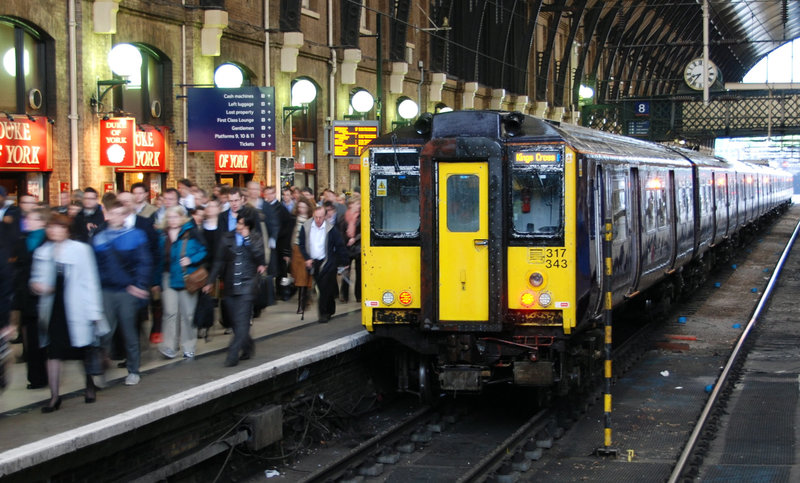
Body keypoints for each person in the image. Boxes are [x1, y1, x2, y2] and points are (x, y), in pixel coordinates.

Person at [30, 214, 107, 411]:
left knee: (82, 350)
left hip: (77, 307)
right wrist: (37, 286)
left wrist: (94, 311)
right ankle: (54, 396)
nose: (55, 231)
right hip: (53, 309)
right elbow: (35, 279)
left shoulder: (81, 250)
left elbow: (90, 281)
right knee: (53, 352)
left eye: (59, 227)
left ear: (66, 230)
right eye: (51, 227)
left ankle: (89, 386)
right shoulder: (42, 252)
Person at [92, 201, 152, 386]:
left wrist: (140, 285)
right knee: (104, 332)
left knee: (129, 331)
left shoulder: (136, 236)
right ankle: (100, 370)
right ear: (107, 215)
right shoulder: (99, 238)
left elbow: (144, 262)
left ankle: (133, 370)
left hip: (127, 291)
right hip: (106, 291)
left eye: (121, 213)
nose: (117, 217)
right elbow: (95, 266)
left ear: (125, 215)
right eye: (114, 213)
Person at [205, 206, 266, 366]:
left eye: (243, 225)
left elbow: (260, 258)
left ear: (249, 227)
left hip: (248, 284)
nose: (240, 227)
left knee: (243, 321)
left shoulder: (256, 238)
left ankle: (232, 355)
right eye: (238, 224)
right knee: (235, 321)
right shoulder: (226, 238)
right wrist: (210, 281)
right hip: (230, 284)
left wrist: (247, 240)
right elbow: (218, 261)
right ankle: (248, 347)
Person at [155, 205, 206, 360]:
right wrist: (155, 281)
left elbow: (204, 250)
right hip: (168, 277)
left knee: (187, 314)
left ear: (182, 218)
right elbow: (158, 259)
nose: (172, 220)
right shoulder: (162, 235)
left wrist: (192, 259)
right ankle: (170, 346)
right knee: (170, 313)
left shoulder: (192, 232)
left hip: (186, 277)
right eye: (169, 217)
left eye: (175, 217)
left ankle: (188, 346)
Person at [13, 207, 49, 389]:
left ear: (42, 221)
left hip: (44, 295)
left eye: (32, 219)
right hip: (26, 296)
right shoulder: (23, 240)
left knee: (44, 337)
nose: (27, 221)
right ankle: (36, 377)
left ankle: (46, 374)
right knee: (32, 338)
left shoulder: (47, 240)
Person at [298, 205, 348, 323]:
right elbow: (301, 244)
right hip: (313, 261)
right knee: (323, 287)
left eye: (321, 217)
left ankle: (323, 313)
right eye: (316, 217)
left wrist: (345, 262)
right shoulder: (306, 227)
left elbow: (339, 245)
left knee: (324, 288)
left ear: (325, 216)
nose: (318, 220)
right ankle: (330, 308)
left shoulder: (331, 229)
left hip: (327, 261)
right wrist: (307, 258)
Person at [290, 197, 314, 313]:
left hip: (306, 251)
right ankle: (305, 300)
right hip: (295, 250)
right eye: (300, 207)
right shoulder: (293, 219)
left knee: (302, 278)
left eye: (304, 207)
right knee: (298, 277)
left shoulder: (312, 220)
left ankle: (301, 305)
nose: (301, 209)